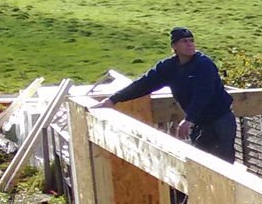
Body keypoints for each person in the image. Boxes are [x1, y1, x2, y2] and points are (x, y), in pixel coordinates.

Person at [97, 27, 237, 164]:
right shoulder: (169, 67)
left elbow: (203, 93)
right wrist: (113, 99)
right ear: (174, 46)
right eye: (184, 41)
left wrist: (189, 120)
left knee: (222, 164)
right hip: (199, 123)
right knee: (202, 164)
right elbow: (143, 84)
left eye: (191, 40)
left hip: (219, 121)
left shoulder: (204, 64)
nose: (189, 44)